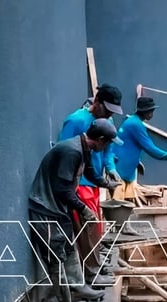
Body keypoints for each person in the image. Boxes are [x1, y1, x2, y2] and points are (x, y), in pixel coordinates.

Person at [28, 119, 123, 302]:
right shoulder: (71, 151)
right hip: (45, 209)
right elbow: (63, 190)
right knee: (56, 258)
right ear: (101, 139)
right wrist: (83, 209)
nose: (107, 147)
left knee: (69, 248)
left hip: (57, 207)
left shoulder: (83, 147)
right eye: (108, 143)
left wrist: (106, 183)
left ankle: (78, 287)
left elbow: (89, 171)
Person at [58, 84, 122, 281]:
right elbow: (64, 152)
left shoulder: (107, 121)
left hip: (94, 180)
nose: (110, 114)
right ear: (97, 102)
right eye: (107, 109)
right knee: (86, 228)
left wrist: (111, 168)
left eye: (113, 111)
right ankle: (90, 273)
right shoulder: (76, 121)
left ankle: (93, 265)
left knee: (95, 228)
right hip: (79, 183)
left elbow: (108, 151)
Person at [113, 96, 167, 234]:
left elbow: (127, 145)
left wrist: (137, 161)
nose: (152, 114)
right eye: (151, 111)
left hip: (126, 166)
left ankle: (123, 226)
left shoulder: (132, 122)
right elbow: (150, 148)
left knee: (126, 198)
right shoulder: (136, 125)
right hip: (121, 167)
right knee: (119, 200)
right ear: (145, 111)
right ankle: (120, 227)